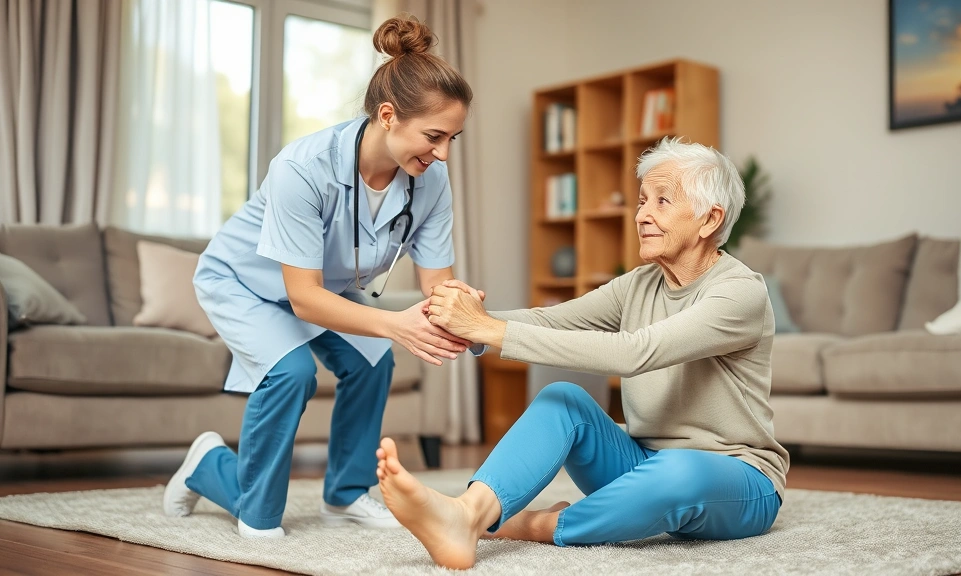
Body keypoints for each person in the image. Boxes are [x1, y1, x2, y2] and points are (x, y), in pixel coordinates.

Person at [374, 138, 790, 569]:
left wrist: (487, 328)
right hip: (642, 465)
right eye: (642, 200)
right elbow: (555, 320)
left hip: (740, 481)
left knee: (680, 472)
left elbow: (637, 352)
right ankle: (467, 515)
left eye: (662, 201)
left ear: (709, 220)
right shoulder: (639, 284)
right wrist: (466, 321)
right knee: (563, 400)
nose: (642, 215)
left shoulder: (740, 292)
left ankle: (526, 525)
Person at [161, 15, 479, 539]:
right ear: (387, 115)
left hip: (322, 285)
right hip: (240, 281)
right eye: (434, 136)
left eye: (452, 139)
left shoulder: (432, 180)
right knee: (291, 373)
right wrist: (396, 325)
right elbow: (303, 299)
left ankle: (346, 494)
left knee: (373, 361)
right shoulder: (304, 168)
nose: (443, 153)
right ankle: (212, 469)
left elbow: (436, 281)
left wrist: (464, 312)